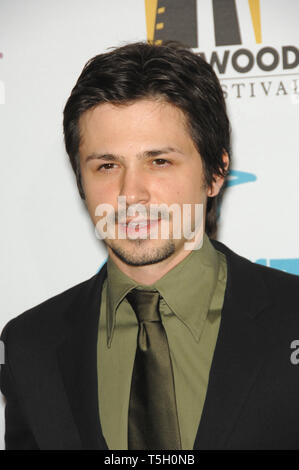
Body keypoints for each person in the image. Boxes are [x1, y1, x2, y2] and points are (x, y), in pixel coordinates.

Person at [1, 41, 299, 451]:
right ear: (80, 182)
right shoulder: (28, 346)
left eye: (159, 161)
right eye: (107, 165)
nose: (130, 193)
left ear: (215, 174)